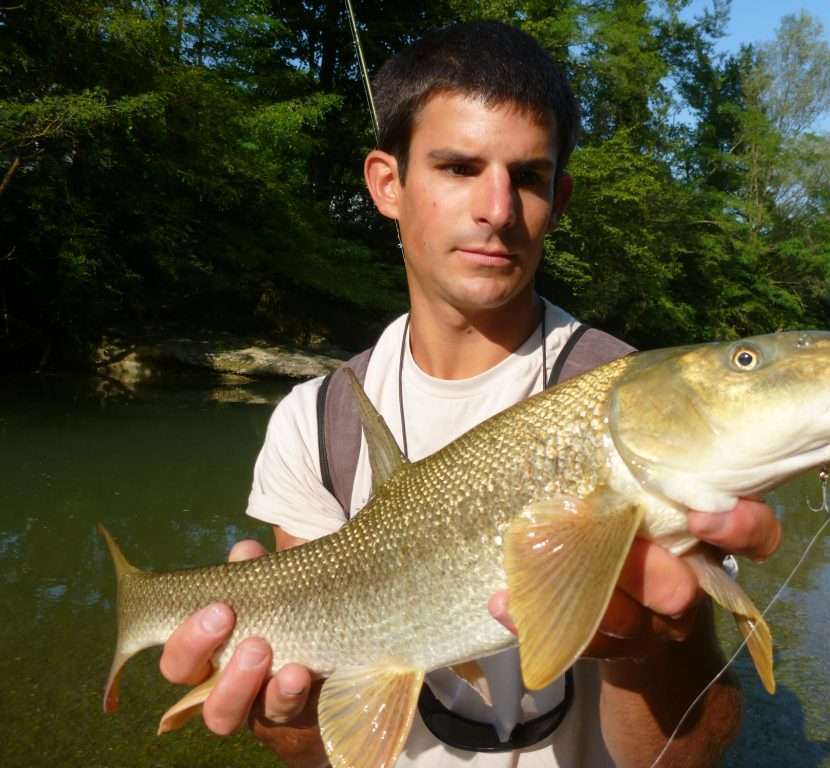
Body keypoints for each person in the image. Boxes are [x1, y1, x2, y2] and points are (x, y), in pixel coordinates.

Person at [158, 21, 782, 768]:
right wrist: (282, 719)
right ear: (387, 184)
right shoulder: (317, 423)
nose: (497, 208)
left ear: (560, 196)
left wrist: (651, 650)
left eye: (527, 177)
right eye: (458, 167)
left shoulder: (640, 406)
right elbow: (322, 743)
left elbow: (685, 758)